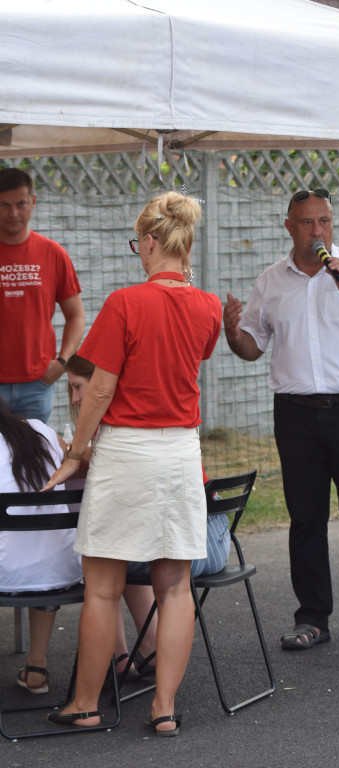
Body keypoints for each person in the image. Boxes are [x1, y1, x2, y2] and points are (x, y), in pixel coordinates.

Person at [43, 190, 222, 736]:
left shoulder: (125, 302)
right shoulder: (209, 306)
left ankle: (86, 703)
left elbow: (98, 391)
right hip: (181, 451)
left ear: (148, 241)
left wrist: (76, 454)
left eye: (136, 244)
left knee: (101, 586)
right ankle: (163, 706)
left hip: (127, 452)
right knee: (174, 587)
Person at [223, 188, 339, 650]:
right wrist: (231, 331)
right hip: (297, 415)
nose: (318, 230)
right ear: (289, 226)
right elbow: (251, 348)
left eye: (324, 221)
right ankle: (313, 618)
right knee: (305, 517)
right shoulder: (271, 281)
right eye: (307, 222)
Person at [65, 353, 231, 678]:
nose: (73, 398)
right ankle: (148, 649)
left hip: (190, 551)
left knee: (106, 554)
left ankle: (122, 656)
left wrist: (73, 450)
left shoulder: (119, 433)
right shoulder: (162, 421)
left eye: (76, 387)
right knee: (122, 545)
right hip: (218, 540)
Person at [0, 398, 82, 694]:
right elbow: (77, 460)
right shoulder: (40, 429)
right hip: (60, 570)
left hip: (5, 573)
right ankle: (36, 666)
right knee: (40, 550)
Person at [0, 167, 84, 423]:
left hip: (37, 385)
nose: (13, 213)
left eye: (21, 204)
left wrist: (62, 361)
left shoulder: (53, 254)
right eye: (4, 205)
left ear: (33, 202)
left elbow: (76, 316)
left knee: (33, 459)